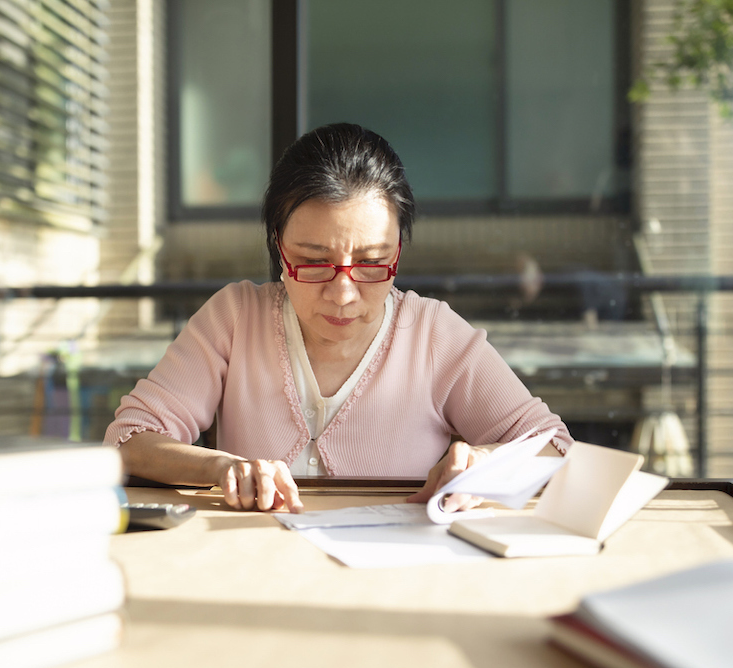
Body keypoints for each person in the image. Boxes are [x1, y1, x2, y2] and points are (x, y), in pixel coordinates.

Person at [105, 123, 572, 513]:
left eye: (372, 263)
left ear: (398, 251)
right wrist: (221, 467)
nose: (343, 293)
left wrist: (483, 463)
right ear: (279, 248)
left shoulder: (434, 334)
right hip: (253, 565)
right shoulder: (234, 318)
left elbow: (554, 446)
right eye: (312, 261)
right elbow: (129, 440)